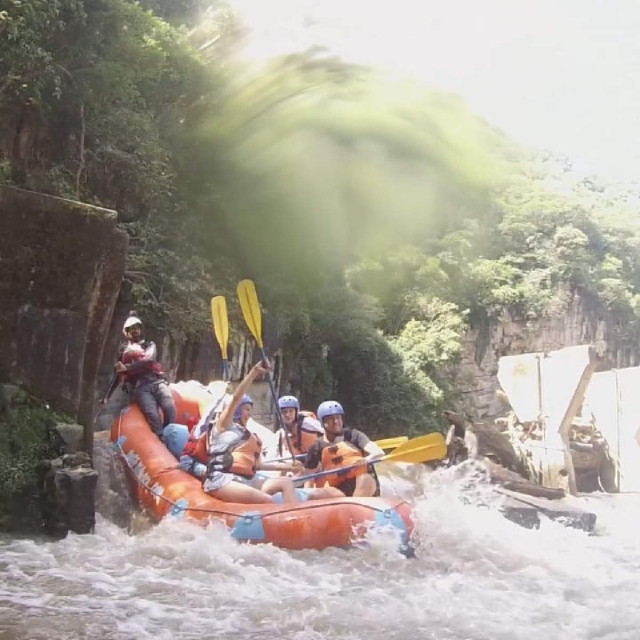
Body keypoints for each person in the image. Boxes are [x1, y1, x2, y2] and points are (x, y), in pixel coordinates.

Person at [202, 361, 305, 504]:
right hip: (222, 480)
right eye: (246, 410)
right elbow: (237, 397)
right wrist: (254, 372)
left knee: (286, 483)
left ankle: (296, 519)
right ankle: (284, 519)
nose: (248, 415)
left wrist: (288, 467)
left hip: (245, 480)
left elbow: (259, 465)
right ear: (237, 409)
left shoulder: (247, 434)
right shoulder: (223, 425)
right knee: (268, 501)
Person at [302, 400, 385, 497]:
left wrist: (365, 460)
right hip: (340, 490)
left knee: (364, 479)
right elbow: (308, 476)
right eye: (331, 418)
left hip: (364, 484)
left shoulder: (353, 435)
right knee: (315, 495)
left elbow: (379, 453)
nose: (336, 421)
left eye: (338, 417)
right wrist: (306, 493)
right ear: (322, 422)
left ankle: (355, 507)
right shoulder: (317, 446)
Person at [115, 314, 176, 437]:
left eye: (137, 328)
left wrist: (128, 367)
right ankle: (160, 439)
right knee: (153, 414)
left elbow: (149, 360)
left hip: (157, 382)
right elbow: (117, 376)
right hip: (141, 387)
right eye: (132, 329)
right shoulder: (123, 354)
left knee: (169, 408)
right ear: (126, 332)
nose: (136, 331)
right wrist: (106, 397)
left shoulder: (149, 345)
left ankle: (169, 434)